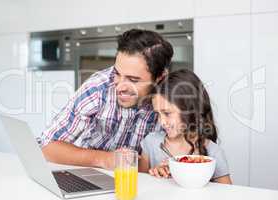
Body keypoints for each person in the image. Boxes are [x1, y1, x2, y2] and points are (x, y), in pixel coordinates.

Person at [39, 29, 174, 170]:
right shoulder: (98, 87)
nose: (120, 86)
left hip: (141, 181)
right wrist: (105, 159)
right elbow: (47, 147)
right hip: (92, 172)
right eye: (117, 73)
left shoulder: (171, 99)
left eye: (133, 80)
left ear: (160, 78)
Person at [139, 70, 232, 184]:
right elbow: (140, 185)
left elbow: (228, 193)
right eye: (158, 114)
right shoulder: (151, 143)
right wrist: (154, 174)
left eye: (167, 113)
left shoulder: (213, 152)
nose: (162, 122)